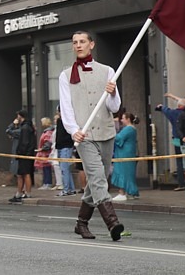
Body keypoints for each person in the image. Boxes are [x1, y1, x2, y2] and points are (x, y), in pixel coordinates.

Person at [59, 30, 124, 241]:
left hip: (106, 132)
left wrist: (112, 92)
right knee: (96, 178)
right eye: (75, 42)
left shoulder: (107, 71)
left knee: (100, 178)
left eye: (82, 41)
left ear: (92, 44)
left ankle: (81, 223)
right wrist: (73, 130)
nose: (78, 45)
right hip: (84, 136)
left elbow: (115, 107)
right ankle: (112, 223)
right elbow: (66, 106)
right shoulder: (66, 75)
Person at [155, 93, 185, 191]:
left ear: (178, 106)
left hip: (177, 139)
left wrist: (161, 106)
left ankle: (182, 183)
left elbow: (164, 109)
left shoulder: (173, 113)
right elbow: (183, 102)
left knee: (179, 161)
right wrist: (173, 96)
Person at [110, 112, 140, 201]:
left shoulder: (129, 129)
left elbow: (118, 138)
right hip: (127, 152)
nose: (121, 120)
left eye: (123, 118)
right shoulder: (131, 129)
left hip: (124, 153)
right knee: (127, 173)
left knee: (122, 172)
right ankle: (129, 191)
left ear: (128, 119)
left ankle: (122, 192)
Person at [9, 111, 35, 203]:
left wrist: (20, 152)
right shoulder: (28, 127)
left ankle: (23, 193)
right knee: (23, 174)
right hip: (28, 153)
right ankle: (22, 192)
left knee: (24, 174)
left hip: (24, 154)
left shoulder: (24, 128)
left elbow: (24, 142)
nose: (17, 117)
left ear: (21, 116)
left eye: (18, 116)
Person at [55, 109, 76, 197]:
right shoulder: (62, 121)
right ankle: (71, 188)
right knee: (66, 169)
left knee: (64, 169)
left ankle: (66, 189)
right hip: (63, 146)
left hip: (65, 146)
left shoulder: (65, 121)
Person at [35, 117, 55, 190]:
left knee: (47, 168)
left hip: (46, 153)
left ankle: (47, 183)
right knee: (45, 168)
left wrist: (43, 148)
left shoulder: (48, 132)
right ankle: (46, 183)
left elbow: (48, 142)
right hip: (44, 152)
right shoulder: (47, 131)